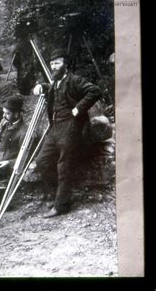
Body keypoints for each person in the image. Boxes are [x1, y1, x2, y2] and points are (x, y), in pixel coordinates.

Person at [32, 48, 102, 218]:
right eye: (52, 64)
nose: (53, 66)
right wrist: (41, 86)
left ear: (65, 64)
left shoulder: (74, 80)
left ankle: (61, 205)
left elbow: (95, 91)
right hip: (55, 128)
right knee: (42, 161)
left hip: (71, 127)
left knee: (64, 166)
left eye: (57, 63)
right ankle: (59, 196)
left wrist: (78, 108)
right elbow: (51, 88)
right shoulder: (55, 82)